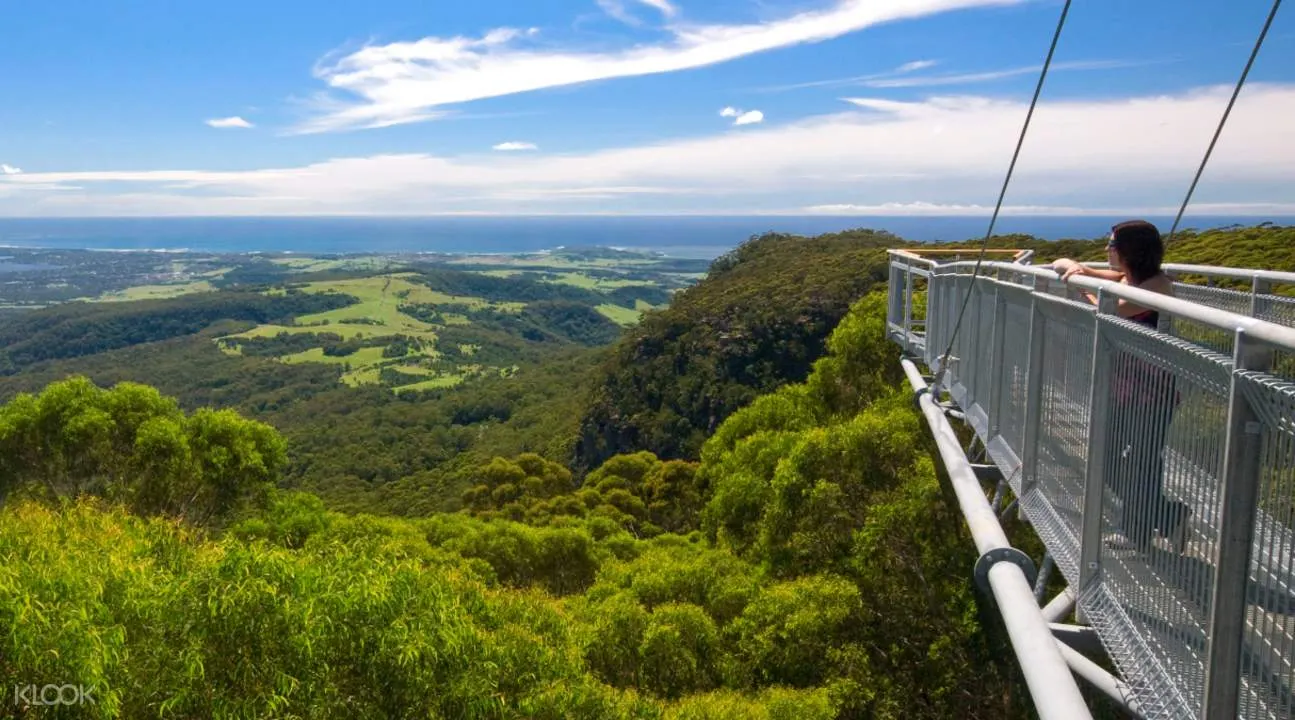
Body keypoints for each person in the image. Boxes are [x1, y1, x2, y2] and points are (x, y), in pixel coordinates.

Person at [1053, 220, 1189, 553]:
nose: (1107, 250)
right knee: (1110, 458)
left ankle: (1136, 532)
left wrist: (1079, 287)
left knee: (1142, 460)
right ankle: (1169, 515)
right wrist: (1073, 267)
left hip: (1152, 392)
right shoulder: (1132, 279)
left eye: (1112, 245)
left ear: (1130, 250)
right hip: (1124, 387)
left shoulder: (1157, 286)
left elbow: (1111, 310)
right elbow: (1093, 275)